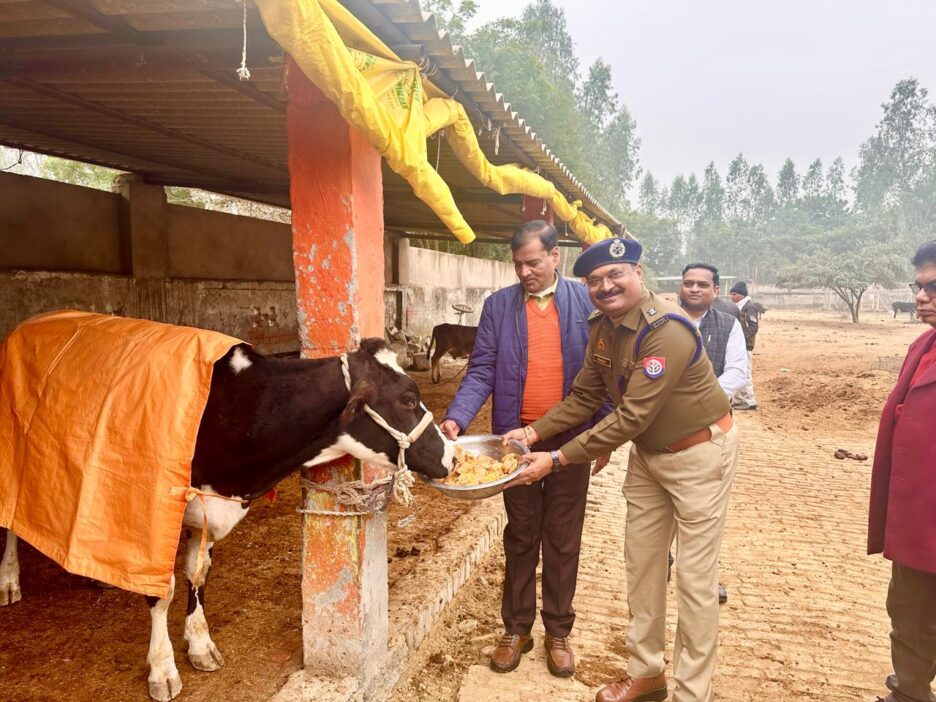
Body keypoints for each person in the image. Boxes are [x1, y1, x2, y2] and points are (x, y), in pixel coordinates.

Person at [503, 237, 739, 702]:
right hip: (649, 458)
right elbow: (586, 397)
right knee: (643, 568)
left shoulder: (665, 330)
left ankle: (692, 692)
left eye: (616, 275)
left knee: (694, 581)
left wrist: (556, 459)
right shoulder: (605, 328)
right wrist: (530, 435)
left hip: (698, 456)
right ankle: (647, 673)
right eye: (594, 280)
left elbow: (631, 416)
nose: (605, 286)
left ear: (638, 273)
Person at [440, 220, 611, 678]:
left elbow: (606, 371)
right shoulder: (499, 307)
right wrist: (457, 415)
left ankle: (558, 630)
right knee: (520, 534)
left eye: (533, 262)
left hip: (571, 442)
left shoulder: (587, 302)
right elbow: (481, 370)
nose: (525, 272)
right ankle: (516, 628)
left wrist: (603, 435)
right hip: (512, 444)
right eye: (517, 264)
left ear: (556, 257)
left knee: (562, 536)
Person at [868, 240, 936, 702]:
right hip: (918, 517)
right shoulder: (923, 345)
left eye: (932, 287)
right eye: (918, 287)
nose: (919, 297)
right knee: (909, 608)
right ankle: (911, 690)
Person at [679, 262, 748, 605]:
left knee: (707, 511)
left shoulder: (728, 325)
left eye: (702, 285)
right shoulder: (662, 320)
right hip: (664, 431)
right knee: (661, 504)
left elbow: (736, 373)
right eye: (688, 283)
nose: (694, 289)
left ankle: (707, 577)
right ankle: (661, 558)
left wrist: (696, 404)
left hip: (711, 434)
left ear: (715, 291)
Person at [728, 281, 759, 410]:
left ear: (741, 295)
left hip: (745, 346)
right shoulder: (740, 307)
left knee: (745, 373)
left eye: (734, 294)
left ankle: (749, 401)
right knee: (739, 372)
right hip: (740, 345)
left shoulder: (748, 307)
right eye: (731, 294)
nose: (732, 297)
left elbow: (753, 327)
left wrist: (742, 340)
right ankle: (740, 400)